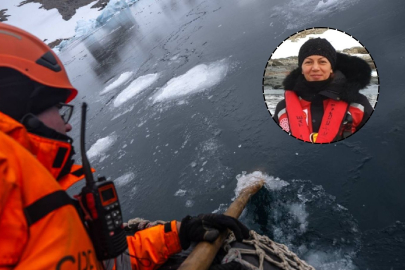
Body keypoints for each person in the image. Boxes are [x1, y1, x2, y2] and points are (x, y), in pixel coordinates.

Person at [0, 23, 248, 270]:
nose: (67, 127)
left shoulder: (33, 200)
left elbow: (108, 262)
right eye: (59, 110)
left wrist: (180, 233)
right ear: (21, 113)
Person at [273, 38, 373, 143]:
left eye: (322, 62)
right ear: (301, 69)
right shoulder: (282, 109)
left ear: (331, 68)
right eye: (308, 62)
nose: (315, 68)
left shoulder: (359, 104)